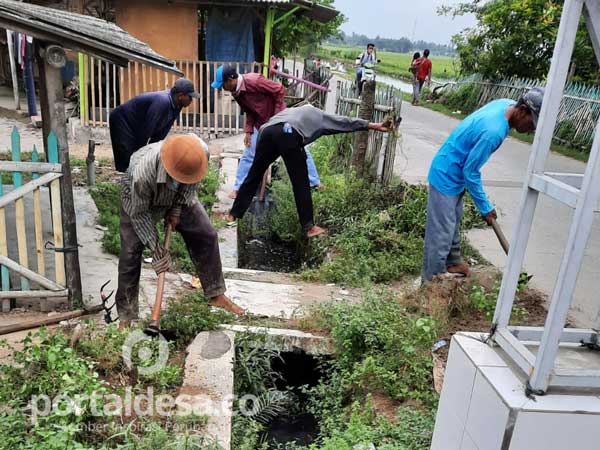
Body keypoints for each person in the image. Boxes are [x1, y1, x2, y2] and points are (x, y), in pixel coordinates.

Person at [116, 134, 245, 329]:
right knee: (130, 253)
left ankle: (215, 293)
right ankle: (125, 317)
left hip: (178, 197)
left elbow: (190, 184)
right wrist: (157, 250)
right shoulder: (142, 173)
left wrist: (176, 210)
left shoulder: (200, 154)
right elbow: (140, 215)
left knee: (206, 234)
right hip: (138, 203)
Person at [421, 87, 545, 283]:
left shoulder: (504, 103)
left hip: (455, 171)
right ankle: (430, 285)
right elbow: (470, 172)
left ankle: (452, 262)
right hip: (446, 174)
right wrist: (485, 208)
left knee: (453, 220)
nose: (532, 130)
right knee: (441, 232)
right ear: (522, 110)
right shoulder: (494, 132)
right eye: (532, 124)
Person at [228, 105, 390, 238]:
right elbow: (344, 123)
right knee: (301, 183)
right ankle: (309, 227)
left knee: (254, 176)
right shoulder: (319, 116)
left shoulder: (292, 112)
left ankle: (233, 214)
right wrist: (372, 125)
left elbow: (292, 143)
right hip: (289, 133)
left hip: (266, 132)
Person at [211, 64, 322, 198]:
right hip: (261, 124)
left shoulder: (254, 81)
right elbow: (249, 111)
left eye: (223, 85)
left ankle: (314, 182)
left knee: (297, 148)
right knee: (248, 154)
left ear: (230, 80)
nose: (223, 88)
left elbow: (279, 89)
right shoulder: (237, 92)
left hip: (280, 119)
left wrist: (276, 117)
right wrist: (248, 131)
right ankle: (239, 188)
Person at [109, 78, 198, 172]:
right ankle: (125, 182)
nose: (191, 100)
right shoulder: (163, 101)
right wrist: (142, 152)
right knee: (127, 159)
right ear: (180, 95)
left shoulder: (177, 106)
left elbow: (163, 130)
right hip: (122, 120)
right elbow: (147, 129)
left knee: (139, 159)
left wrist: (152, 151)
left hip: (137, 125)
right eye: (190, 97)